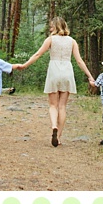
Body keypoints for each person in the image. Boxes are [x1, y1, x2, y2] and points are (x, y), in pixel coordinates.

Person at [15, 16, 95, 147]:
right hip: (67, 72)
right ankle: (58, 137)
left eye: (52, 25)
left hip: (54, 71)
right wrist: (90, 76)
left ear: (56, 26)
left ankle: (53, 126)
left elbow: (37, 54)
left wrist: (25, 65)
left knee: (53, 105)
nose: (50, 27)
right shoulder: (72, 41)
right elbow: (79, 61)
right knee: (62, 106)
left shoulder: (50, 40)